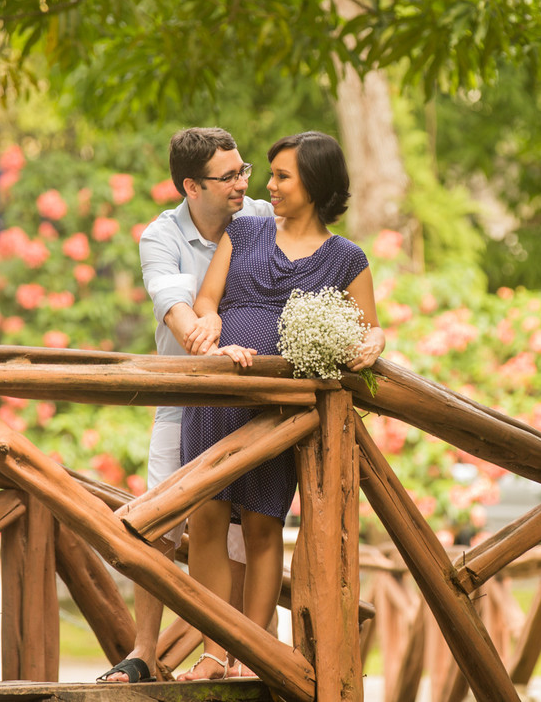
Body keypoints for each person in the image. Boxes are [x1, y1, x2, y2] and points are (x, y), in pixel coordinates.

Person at [176, 131, 384, 681]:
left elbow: (370, 328)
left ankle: (251, 655)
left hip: (279, 412)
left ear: (313, 184)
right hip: (221, 392)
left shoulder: (347, 259)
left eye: (281, 176)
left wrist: (375, 343)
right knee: (207, 518)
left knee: (264, 525)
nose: (268, 185)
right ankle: (212, 654)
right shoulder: (243, 231)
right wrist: (212, 328)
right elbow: (207, 300)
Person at [97, 127, 272, 684]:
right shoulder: (161, 235)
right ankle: (144, 652)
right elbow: (176, 310)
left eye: (244, 171)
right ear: (192, 186)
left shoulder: (262, 218)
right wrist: (212, 344)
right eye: (229, 176)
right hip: (181, 400)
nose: (243, 184)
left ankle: (237, 656)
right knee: (157, 524)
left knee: (245, 529)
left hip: (251, 403)